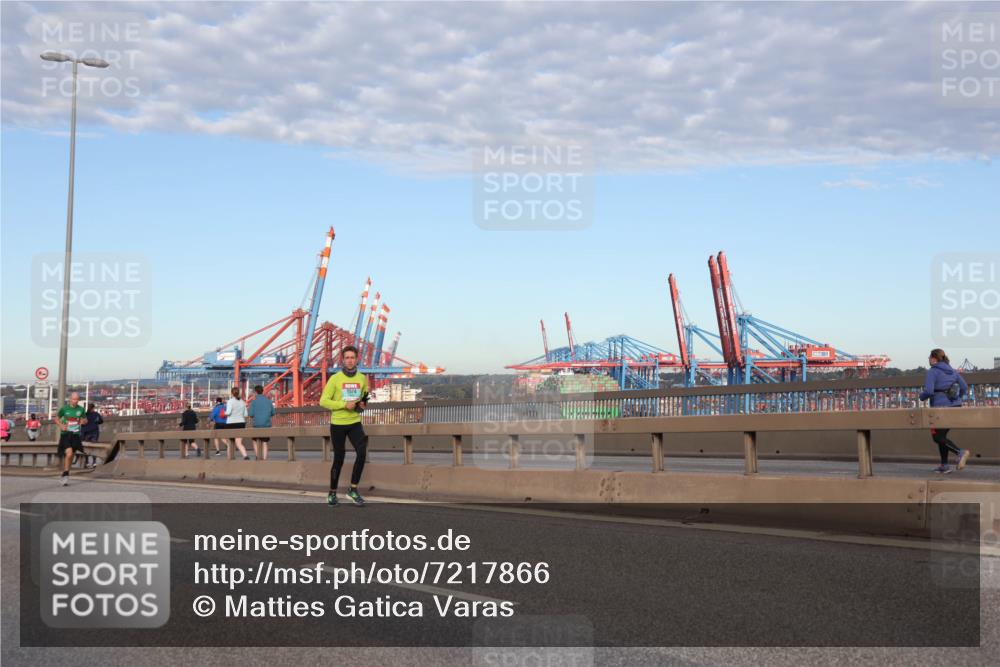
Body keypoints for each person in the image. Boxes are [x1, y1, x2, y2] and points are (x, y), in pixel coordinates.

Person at [319, 345, 369, 506]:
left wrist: (362, 405)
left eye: (352, 357)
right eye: (347, 357)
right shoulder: (335, 379)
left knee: (362, 452)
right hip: (338, 423)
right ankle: (332, 493)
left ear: (356, 359)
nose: (349, 360)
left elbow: (363, 397)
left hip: (355, 422)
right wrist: (343, 405)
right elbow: (323, 401)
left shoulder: (362, 378)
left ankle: (353, 490)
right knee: (339, 458)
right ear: (343, 359)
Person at [919, 348, 970, 474]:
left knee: (937, 437)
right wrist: (958, 399)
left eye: (929, 357)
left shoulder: (933, 371)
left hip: (940, 409)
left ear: (934, 359)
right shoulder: (953, 371)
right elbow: (964, 387)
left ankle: (960, 452)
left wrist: (921, 397)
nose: (928, 360)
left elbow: (929, 391)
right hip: (956, 407)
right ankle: (944, 465)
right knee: (942, 436)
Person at [56, 392, 87, 485]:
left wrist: (84, 421)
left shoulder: (81, 409)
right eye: (73, 399)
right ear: (70, 399)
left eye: (77, 399)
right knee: (69, 454)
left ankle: (66, 473)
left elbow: (85, 420)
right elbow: (56, 418)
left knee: (71, 455)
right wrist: (61, 425)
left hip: (76, 435)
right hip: (65, 434)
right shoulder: (64, 409)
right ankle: (66, 472)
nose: (75, 401)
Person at [247, 385, 275, 461]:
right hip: (266, 424)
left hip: (256, 425)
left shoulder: (254, 402)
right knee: (265, 442)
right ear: (263, 391)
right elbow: (273, 413)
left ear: (255, 392)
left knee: (255, 441)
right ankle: (265, 459)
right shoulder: (268, 401)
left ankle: (257, 456)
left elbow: (251, 414)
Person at [225, 387, 249, 460]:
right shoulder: (242, 402)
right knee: (239, 442)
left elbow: (228, 413)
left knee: (230, 442)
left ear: (232, 393)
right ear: (239, 393)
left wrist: (224, 413)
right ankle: (245, 456)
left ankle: (230, 458)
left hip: (231, 423)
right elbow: (245, 415)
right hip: (241, 423)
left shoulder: (230, 401)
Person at [80, 403, 103, 468]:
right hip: (94, 432)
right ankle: (94, 462)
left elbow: (81, 423)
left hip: (86, 432)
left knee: (86, 448)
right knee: (94, 447)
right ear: (93, 408)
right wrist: (95, 422)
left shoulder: (84, 415)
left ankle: (87, 462)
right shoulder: (96, 414)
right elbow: (101, 421)